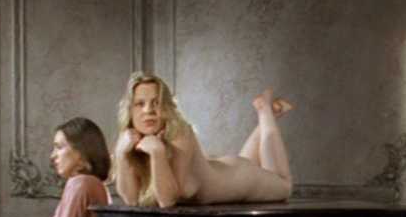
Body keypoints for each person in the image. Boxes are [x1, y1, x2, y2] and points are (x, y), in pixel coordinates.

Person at [112, 72, 294, 208]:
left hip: (241, 180)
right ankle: (269, 115)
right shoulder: (129, 139)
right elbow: (131, 200)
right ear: (130, 109)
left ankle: (265, 112)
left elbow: (167, 200)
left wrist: (157, 153)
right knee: (246, 163)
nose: (148, 111)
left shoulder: (180, 132)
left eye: (156, 103)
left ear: (166, 106)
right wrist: (121, 154)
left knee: (285, 185)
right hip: (225, 169)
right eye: (140, 104)